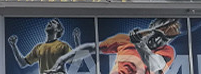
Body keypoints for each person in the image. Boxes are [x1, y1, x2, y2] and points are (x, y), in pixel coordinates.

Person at [51, 18, 182, 74]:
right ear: (151, 28)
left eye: (164, 39)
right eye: (157, 34)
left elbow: (154, 66)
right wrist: (62, 60)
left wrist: (140, 44)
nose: (158, 40)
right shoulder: (124, 40)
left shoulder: (167, 52)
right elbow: (91, 48)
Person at [8, 19, 82, 74]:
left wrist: (77, 40)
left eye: (53, 22)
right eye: (49, 22)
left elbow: (77, 62)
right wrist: (13, 46)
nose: (49, 22)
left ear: (58, 29)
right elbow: (23, 63)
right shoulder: (38, 48)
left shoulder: (62, 46)